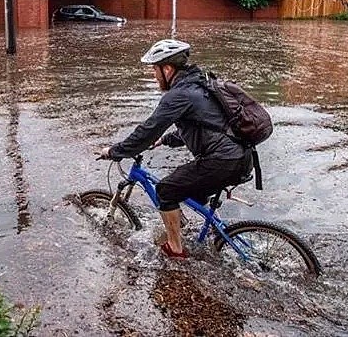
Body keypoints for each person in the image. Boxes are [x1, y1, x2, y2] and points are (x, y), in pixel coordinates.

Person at [98, 39, 252, 259]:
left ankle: (175, 249)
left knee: (165, 190)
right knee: (190, 189)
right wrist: (164, 140)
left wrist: (115, 151)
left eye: (154, 69)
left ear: (167, 69)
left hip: (221, 161)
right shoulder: (201, 83)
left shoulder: (178, 95)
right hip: (240, 156)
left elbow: (148, 129)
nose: (154, 75)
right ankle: (198, 231)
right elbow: (206, 126)